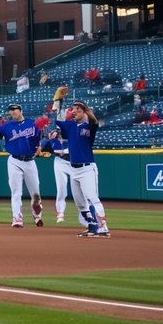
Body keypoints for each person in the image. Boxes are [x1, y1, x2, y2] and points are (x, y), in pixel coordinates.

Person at [0, 104, 43, 227]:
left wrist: (38, 147)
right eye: (11, 110)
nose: (13, 112)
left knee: (36, 193)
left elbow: (37, 140)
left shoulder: (31, 124)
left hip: (30, 161)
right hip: (14, 161)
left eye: (15, 110)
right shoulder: (6, 127)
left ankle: (37, 216)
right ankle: (17, 219)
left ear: (20, 111)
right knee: (16, 192)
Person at [55, 100, 110, 237]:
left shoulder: (89, 125)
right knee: (80, 202)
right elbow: (57, 121)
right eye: (74, 109)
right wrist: (58, 104)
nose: (75, 111)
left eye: (78, 109)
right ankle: (92, 226)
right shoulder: (70, 126)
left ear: (84, 111)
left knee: (92, 198)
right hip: (73, 169)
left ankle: (103, 228)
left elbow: (95, 121)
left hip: (87, 168)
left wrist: (86, 110)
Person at [39, 126, 75, 225]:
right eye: (58, 131)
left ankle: (86, 216)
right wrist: (47, 139)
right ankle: (60, 213)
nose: (59, 132)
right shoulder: (52, 141)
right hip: (59, 162)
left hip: (74, 163)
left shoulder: (73, 138)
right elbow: (40, 147)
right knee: (61, 189)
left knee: (79, 191)